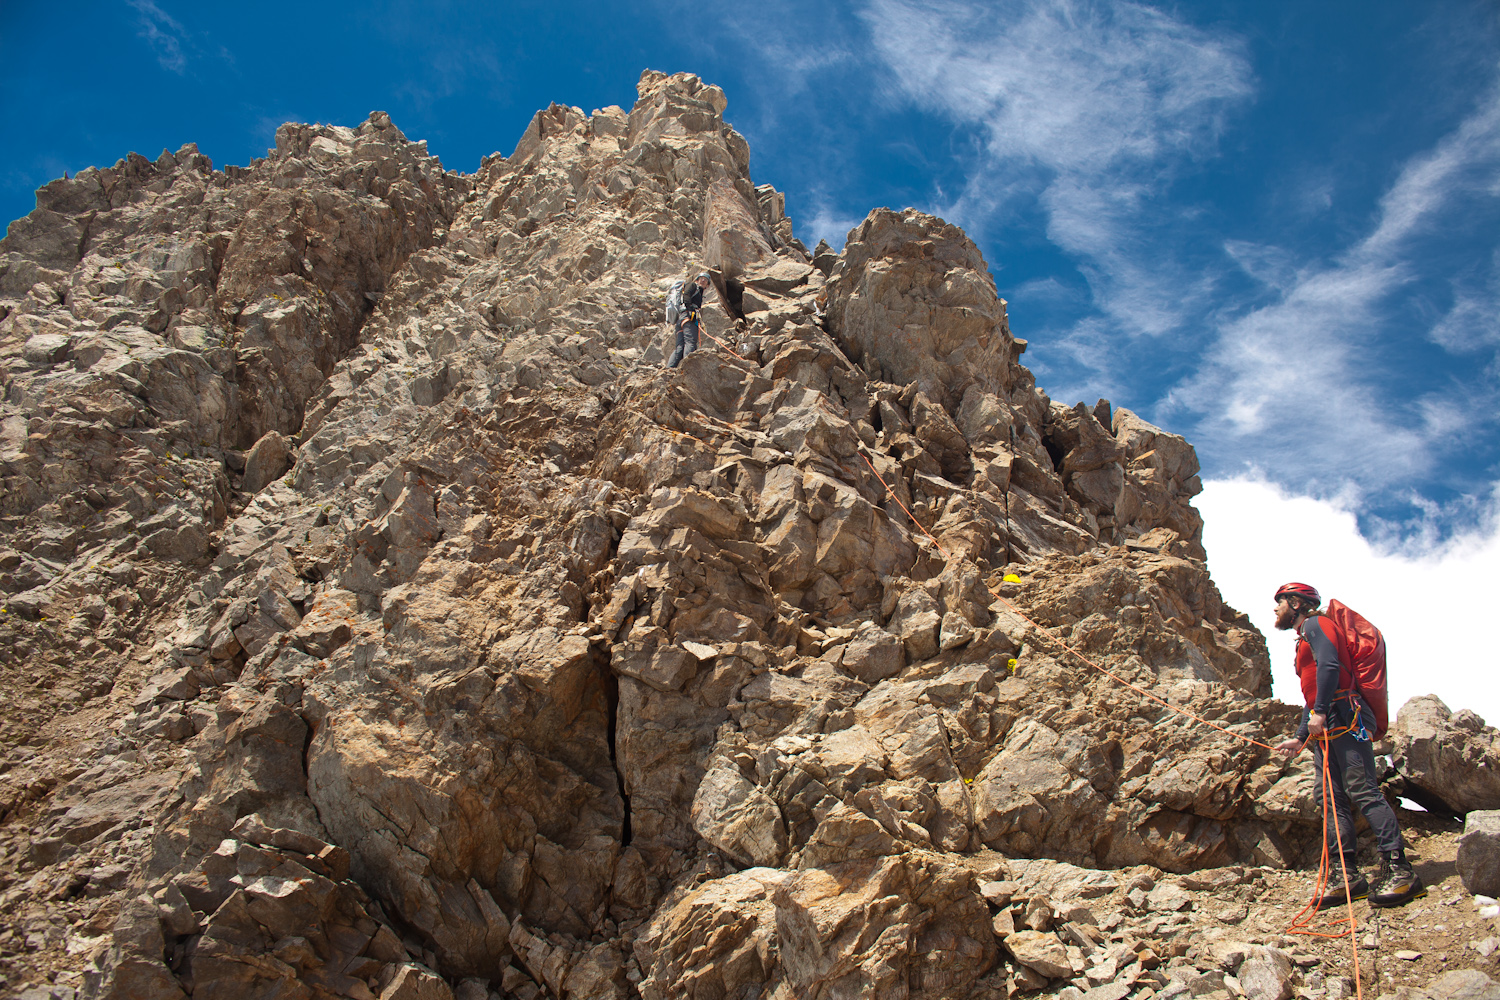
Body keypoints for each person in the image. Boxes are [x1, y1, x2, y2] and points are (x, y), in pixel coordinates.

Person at [1272, 582, 1425, 909]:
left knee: (1362, 790)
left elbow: (1329, 668)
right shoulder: (1305, 637)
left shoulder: (1316, 624)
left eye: (1280, 601)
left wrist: (1323, 712)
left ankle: (1401, 870)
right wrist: (1300, 737)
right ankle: (1346, 875)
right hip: (1330, 723)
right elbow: (1311, 696)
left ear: (1296, 602)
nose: (1275, 608)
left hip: (1343, 717)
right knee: (1329, 797)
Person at [667, 272, 712, 369]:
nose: (703, 280)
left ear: (707, 285)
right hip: (688, 318)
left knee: (680, 347)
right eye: (701, 278)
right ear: (697, 280)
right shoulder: (692, 285)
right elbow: (686, 295)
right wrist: (690, 309)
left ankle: (669, 369)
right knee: (690, 342)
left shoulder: (699, 292)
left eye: (705, 280)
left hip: (681, 319)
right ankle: (688, 368)